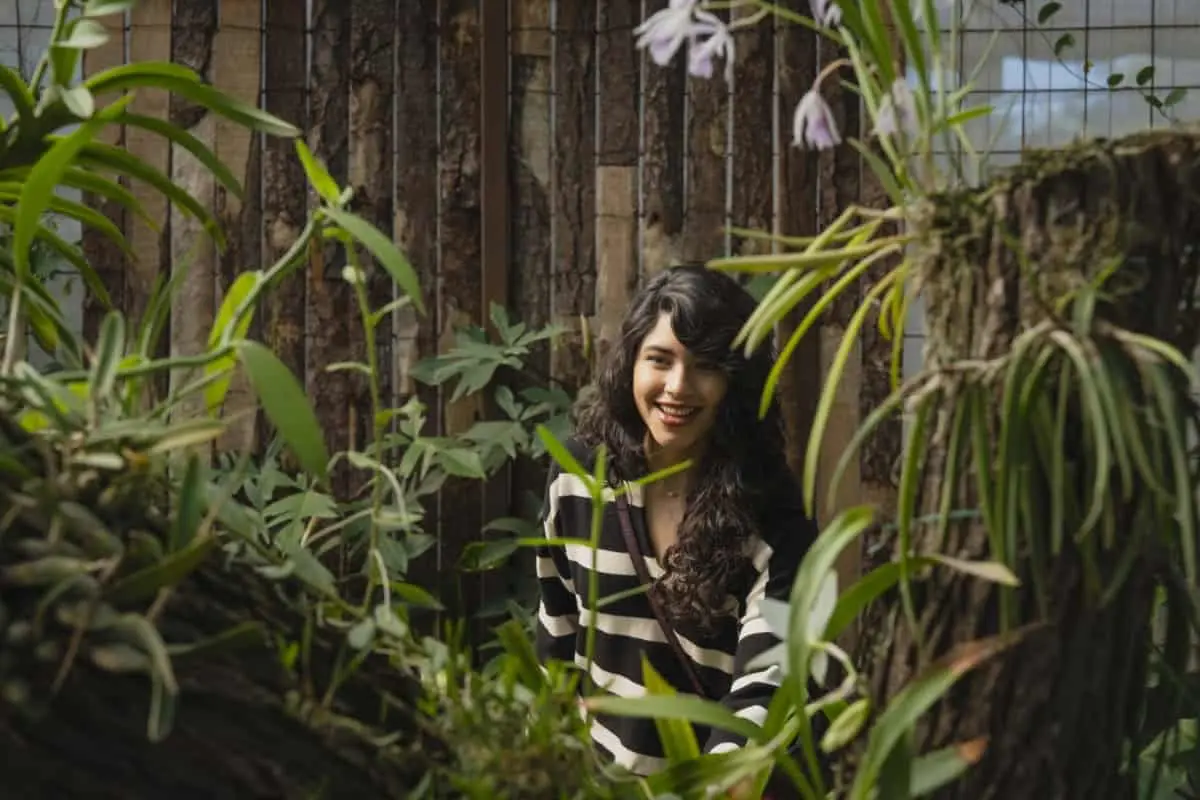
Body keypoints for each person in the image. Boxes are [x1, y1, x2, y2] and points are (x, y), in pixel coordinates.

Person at [534, 264, 819, 796]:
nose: (678, 387)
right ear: (631, 365)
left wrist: (709, 785)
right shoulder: (578, 475)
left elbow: (767, 683)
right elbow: (557, 638)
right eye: (659, 360)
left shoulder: (776, 511)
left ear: (735, 381)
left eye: (706, 367)